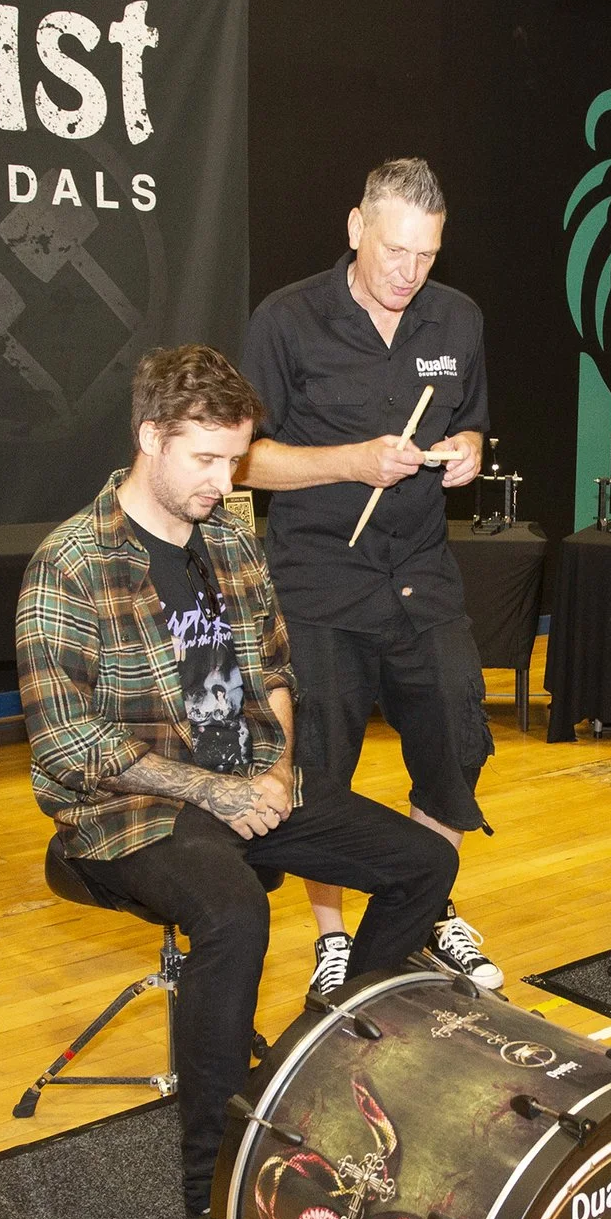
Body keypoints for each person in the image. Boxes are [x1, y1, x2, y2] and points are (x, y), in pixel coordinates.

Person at [17, 343, 459, 1219]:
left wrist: (277, 770)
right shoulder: (69, 563)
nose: (225, 480)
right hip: (131, 810)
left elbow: (274, 669)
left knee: (421, 861)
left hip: (245, 786)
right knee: (233, 914)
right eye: (206, 459)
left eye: (236, 458)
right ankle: (208, 1187)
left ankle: (320, 1051)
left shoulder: (227, 539)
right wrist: (215, 794)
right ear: (149, 437)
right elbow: (66, 742)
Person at [237, 157, 502, 997]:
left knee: (456, 743)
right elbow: (244, 460)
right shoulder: (286, 320)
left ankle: (425, 907)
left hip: (422, 574)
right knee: (321, 774)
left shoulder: (456, 319)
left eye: (426, 255)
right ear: (355, 228)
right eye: (394, 251)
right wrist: (351, 459)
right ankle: (334, 938)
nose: (408, 273)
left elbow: (474, 427)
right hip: (319, 581)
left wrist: (468, 455)